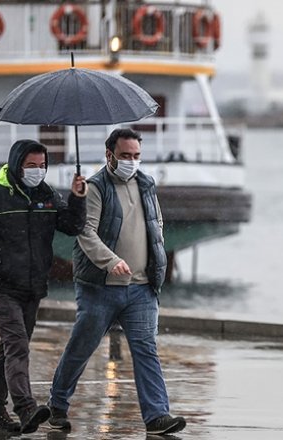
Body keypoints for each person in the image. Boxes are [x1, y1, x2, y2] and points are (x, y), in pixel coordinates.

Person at [48, 128, 186, 435]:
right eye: (125, 156)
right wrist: (112, 262)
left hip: (141, 289)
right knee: (81, 347)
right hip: (100, 287)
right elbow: (86, 232)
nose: (132, 161)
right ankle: (57, 405)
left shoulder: (147, 184)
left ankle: (157, 416)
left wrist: (156, 262)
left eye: (136, 156)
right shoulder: (95, 187)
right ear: (109, 155)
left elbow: (156, 224)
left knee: (146, 349)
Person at [0, 139, 86, 434]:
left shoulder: (47, 195)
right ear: (17, 164)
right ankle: (25, 407)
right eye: (31, 165)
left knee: (10, 349)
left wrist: (77, 197)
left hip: (33, 288)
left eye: (42, 165)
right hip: (2, 287)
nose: (37, 171)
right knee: (17, 345)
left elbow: (72, 226)